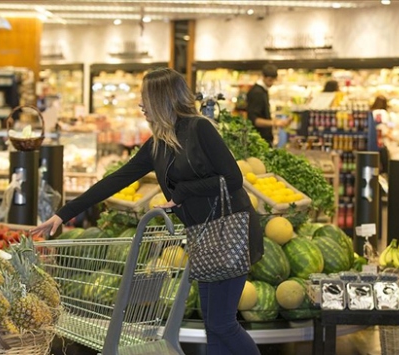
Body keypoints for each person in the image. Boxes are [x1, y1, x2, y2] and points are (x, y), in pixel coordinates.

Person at [31, 67, 263, 355]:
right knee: (214, 325)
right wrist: (62, 214)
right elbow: (114, 180)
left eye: (145, 99)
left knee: (223, 324)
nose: (141, 105)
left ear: (163, 100)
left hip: (230, 232)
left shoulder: (199, 128)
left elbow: (233, 179)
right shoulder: (157, 146)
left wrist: (182, 193)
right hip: (203, 237)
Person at [246, 64, 290, 145]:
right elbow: (254, 120)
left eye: (273, 80)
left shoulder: (263, 90)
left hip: (261, 139)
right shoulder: (257, 93)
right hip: (258, 140)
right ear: (263, 76)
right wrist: (275, 123)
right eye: (270, 80)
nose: (272, 83)